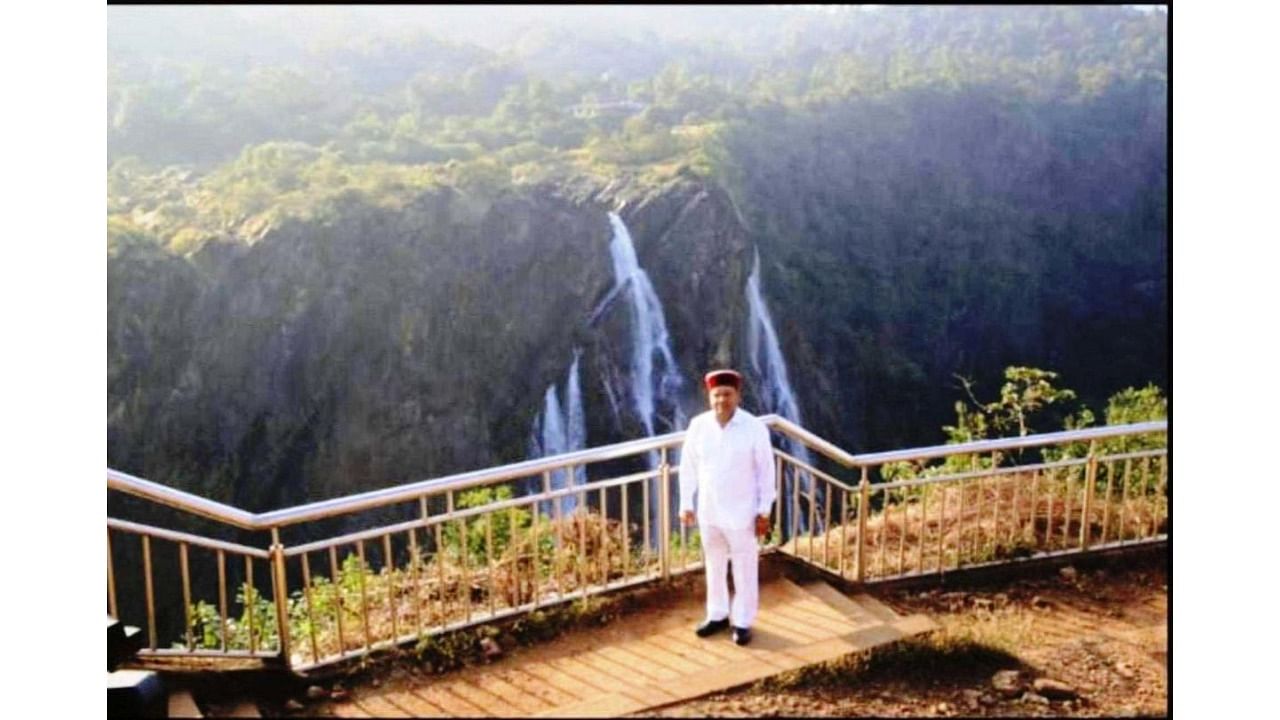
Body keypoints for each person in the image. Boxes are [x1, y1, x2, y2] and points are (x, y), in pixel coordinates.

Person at [678, 368, 776, 646]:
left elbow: (766, 472)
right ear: (709, 396)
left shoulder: (754, 427)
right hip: (709, 511)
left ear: (737, 395)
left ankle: (743, 621)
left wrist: (764, 510)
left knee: (744, 567)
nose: (722, 400)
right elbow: (688, 468)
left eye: (727, 394)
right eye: (717, 395)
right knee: (714, 564)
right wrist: (686, 503)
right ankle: (717, 614)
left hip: (743, 512)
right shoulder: (698, 425)